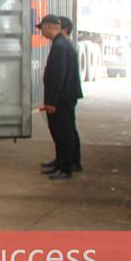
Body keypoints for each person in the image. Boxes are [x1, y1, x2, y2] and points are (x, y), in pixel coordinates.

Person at [38, 14, 83, 179]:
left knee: (62, 133)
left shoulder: (60, 46)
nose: (41, 32)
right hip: (65, 97)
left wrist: (52, 102)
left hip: (62, 99)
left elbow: (58, 76)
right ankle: (66, 162)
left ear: (49, 27)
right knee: (66, 131)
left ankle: (65, 168)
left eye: (42, 28)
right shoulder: (61, 44)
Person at [58, 16, 82, 171]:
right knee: (69, 129)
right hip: (68, 94)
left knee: (66, 130)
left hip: (66, 96)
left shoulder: (63, 46)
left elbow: (60, 75)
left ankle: (68, 164)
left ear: (64, 30)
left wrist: (54, 98)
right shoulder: (66, 45)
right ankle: (69, 161)